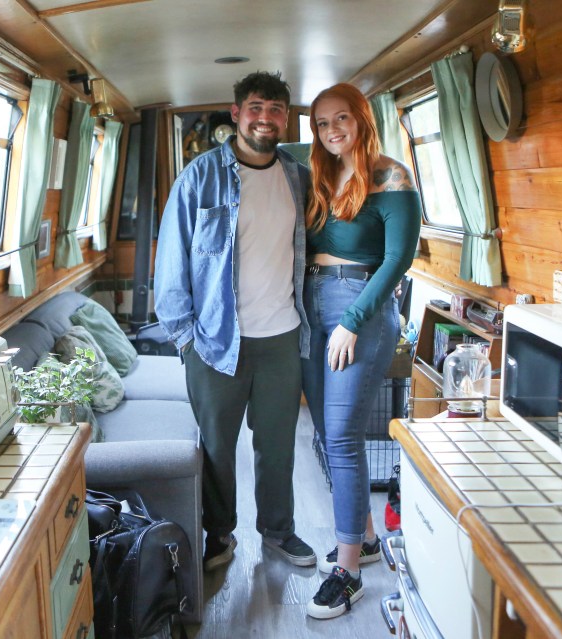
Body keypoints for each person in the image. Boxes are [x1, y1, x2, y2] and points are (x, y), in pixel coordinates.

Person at [154, 71, 317, 574]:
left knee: (278, 446)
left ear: (285, 118)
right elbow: (172, 263)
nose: (265, 118)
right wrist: (186, 338)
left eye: (275, 110)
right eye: (256, 107)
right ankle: (218, 537)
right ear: (236, 113)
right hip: (214, 340)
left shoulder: (298, 176)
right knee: (218, 449)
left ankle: (278, 532)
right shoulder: (199, 176)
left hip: (281, 337)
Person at [301, 83, 421, 619]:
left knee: (344, 437)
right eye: (323, 123)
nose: (332, 131)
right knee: (328, 435)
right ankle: (367, 541)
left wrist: (352, 320)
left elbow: (399, 259)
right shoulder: (317, 173)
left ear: (362, 119)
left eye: (341, 119)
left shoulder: (392, 175)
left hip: (360, 307)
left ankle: (347, 574)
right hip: (312, 302)